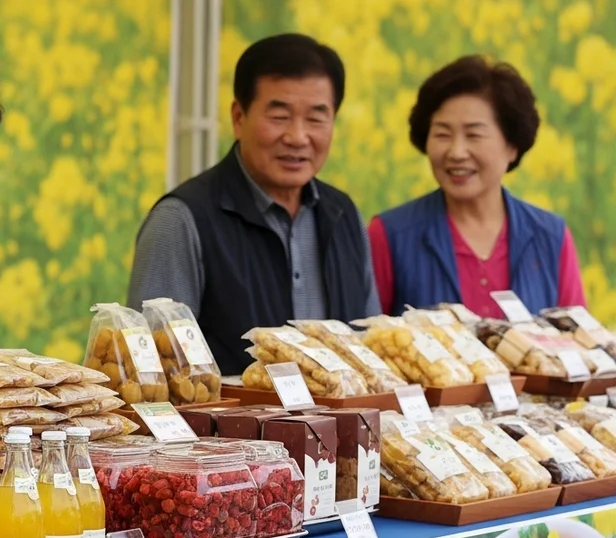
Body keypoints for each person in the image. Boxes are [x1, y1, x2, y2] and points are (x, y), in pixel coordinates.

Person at [126, 34, 379, 376]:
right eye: (279, 116)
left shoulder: (343, 214)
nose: (298, 137)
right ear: (238, 117)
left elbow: (367, 352)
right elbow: (150, 372)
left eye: (316, 118)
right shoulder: (182, 221)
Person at [368, 56, 586, 318]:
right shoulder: (391, 235)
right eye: (442, 134)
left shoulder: (551, 237)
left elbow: (579, 346)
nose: (456, 152)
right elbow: (363, 344)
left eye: (474, 135)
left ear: (512, 146)